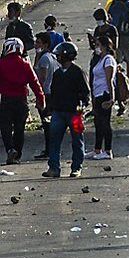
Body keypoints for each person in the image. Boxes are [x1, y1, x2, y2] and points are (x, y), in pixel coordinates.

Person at [42, 42, 90, 178]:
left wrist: (83, 106)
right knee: (54, 140)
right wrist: (49, 109)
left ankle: (76, 168)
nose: (57, 57)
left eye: (60, 54)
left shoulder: (77, 72)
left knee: (77, 140)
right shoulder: (57, 73)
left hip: (75, 113)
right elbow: (53, 92)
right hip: (58, 111)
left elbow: (85, 92)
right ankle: (54, 168)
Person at [0, 38, 46, 165]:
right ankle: (17, 154)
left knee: (5, 128)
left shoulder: (1, 64)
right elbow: (35, 83)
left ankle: (10, 149)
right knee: (20, 129)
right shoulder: (25, 64)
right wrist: (40, 98)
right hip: (21, 101)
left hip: (6, 100)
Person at [86, 34, 116, 160]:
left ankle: (108, 150)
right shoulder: (99, 60)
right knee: (98, 122)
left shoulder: (108, 60)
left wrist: (111, 99)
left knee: (105, 123)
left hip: (104, 94)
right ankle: (97, 149)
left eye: (98, 45)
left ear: (104, 46)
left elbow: (109, 80)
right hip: (97, 94)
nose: (96, 48)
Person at [32, 33, 59, 160]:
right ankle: (50, 149)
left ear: (45, 45)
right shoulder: (51, 57)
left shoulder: (45, 59)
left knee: (47, 124)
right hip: (53, 93)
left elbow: (41, 78)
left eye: (38, 43)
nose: (36, 45)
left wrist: (39, 96)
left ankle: (50, 149)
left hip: (46, 94)